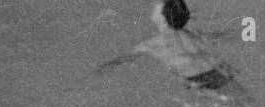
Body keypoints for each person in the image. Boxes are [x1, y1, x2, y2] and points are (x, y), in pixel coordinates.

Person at [98, 0, 242, 95]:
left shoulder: (153, 43)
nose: (152, 9)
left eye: (155, 8)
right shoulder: (191, 33)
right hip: (219, 69)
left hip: (197, 78)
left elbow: (124, 59)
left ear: (162, 18)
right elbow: (215, 37)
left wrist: (103, 67)